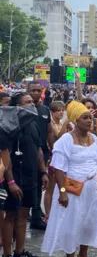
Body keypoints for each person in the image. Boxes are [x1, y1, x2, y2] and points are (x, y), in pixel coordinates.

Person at [41, 101, 97, 257]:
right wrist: (62, 192)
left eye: (90, 118)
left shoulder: (94, 139)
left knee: (89, 223)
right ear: (75, 120)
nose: (89, 121)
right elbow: (59, 169)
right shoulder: (65, 140)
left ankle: (83, 256)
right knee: (71, 225)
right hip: (71, 190)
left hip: (91, 189)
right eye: (85, 118)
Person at [1, 93, 48, 257]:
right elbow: (5, 155)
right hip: (13, 176)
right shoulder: (8, 125)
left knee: (23, 215)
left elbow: (39, 150)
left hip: (31, 175)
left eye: (33, 102)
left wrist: (43, 172)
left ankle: (19, 252)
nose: (33, 104)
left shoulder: (34, 124)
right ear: (17, 106)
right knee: (10, 215)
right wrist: (11, 181)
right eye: (27, 102)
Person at [28, 81, 55, 230]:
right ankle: (25, 213)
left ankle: (37, 217)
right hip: (26, 153)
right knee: (28, 184)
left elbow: (49, 131)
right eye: (33, 90)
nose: (36, 93)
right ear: (28, 91)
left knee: (40, 184)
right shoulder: (23, 109)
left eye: (39, 90)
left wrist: (53, 149)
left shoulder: (45, 110)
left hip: (42, 152)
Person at [43, 101, 65, 222]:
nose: (61, 112)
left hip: (62, 160)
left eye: (62, 110)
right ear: (52, 112)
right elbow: (59, 137)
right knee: (50, 188)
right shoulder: (51, 124)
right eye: (58, 110)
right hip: (52, 159)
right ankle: (48, 214)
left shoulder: (61, 123)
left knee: (60, 187)